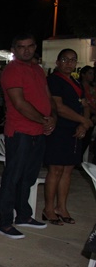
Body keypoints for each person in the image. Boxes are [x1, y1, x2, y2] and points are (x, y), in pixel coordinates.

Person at [0, 33, 57, 238]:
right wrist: (45, 120)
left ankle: (23, 215)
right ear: (14, 49)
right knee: (12, 177)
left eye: (30, 46)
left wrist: (53, 118)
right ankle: (4, 222)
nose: (26, 50)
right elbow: (19, 103)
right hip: (20, 132)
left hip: (39, 132)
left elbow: (48, 97)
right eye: (21, 46)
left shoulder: (38, 70)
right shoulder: (12, 71)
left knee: (28, 178)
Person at [42, 49, 93, 225]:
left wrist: (82, 123)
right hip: (59, 130)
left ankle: (61, 207)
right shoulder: (54, 80)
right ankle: (48, 209)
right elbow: (59, 107)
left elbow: (85, 104)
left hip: (75, 130)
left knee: (68, 171)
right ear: (57, 62)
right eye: (65, 59)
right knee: (55, 170)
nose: (69, 63)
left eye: (73, 60)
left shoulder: (76, 82)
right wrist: (84, 122)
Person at [78, 65, 96, 160]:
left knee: (88, 139)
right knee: (84, 138)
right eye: (90, 73)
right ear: (83, 74)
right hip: (84, 114)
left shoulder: (92, 87)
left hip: (92, 113)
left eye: (93, 73)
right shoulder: (79, 86)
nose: (92, 76)